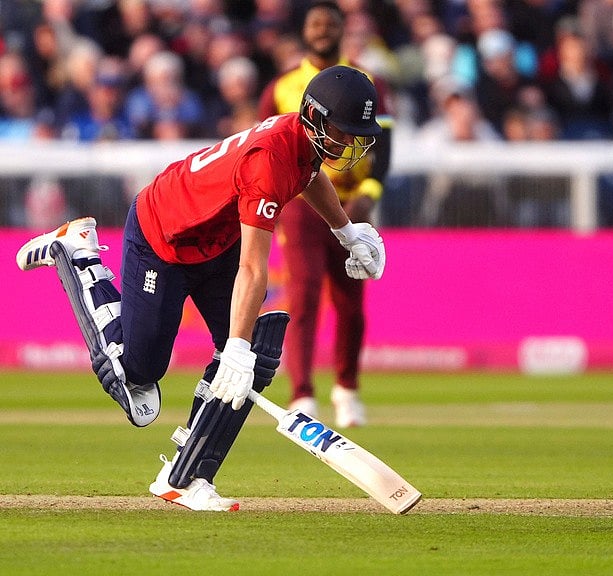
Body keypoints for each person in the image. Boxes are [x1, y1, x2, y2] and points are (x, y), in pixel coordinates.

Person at [15, 65, 386, 511]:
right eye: (342, 132)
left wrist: (346, 230)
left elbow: (307, 177)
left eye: (355, 135)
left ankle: (183, 477)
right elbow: (253, 267)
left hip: (214, 243)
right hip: (165, 236)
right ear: (312, 115)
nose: (349, 144)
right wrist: (232, 346)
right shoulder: (268, 160)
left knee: (259, 354)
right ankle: (76, 254)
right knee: (139, 379)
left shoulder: (301, 140)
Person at [257, 1, 393, 427]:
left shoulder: (368, 81)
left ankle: (347, 391)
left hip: (352, 200)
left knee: (351, 300)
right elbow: (264, 152)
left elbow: (385, 147)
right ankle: (302, 394)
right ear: (304, 30)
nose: (321, 30)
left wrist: (370, 193)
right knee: (305, 294)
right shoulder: (282, 87)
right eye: (315, 23)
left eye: (329, 23)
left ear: (340, 29)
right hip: (300, 204)